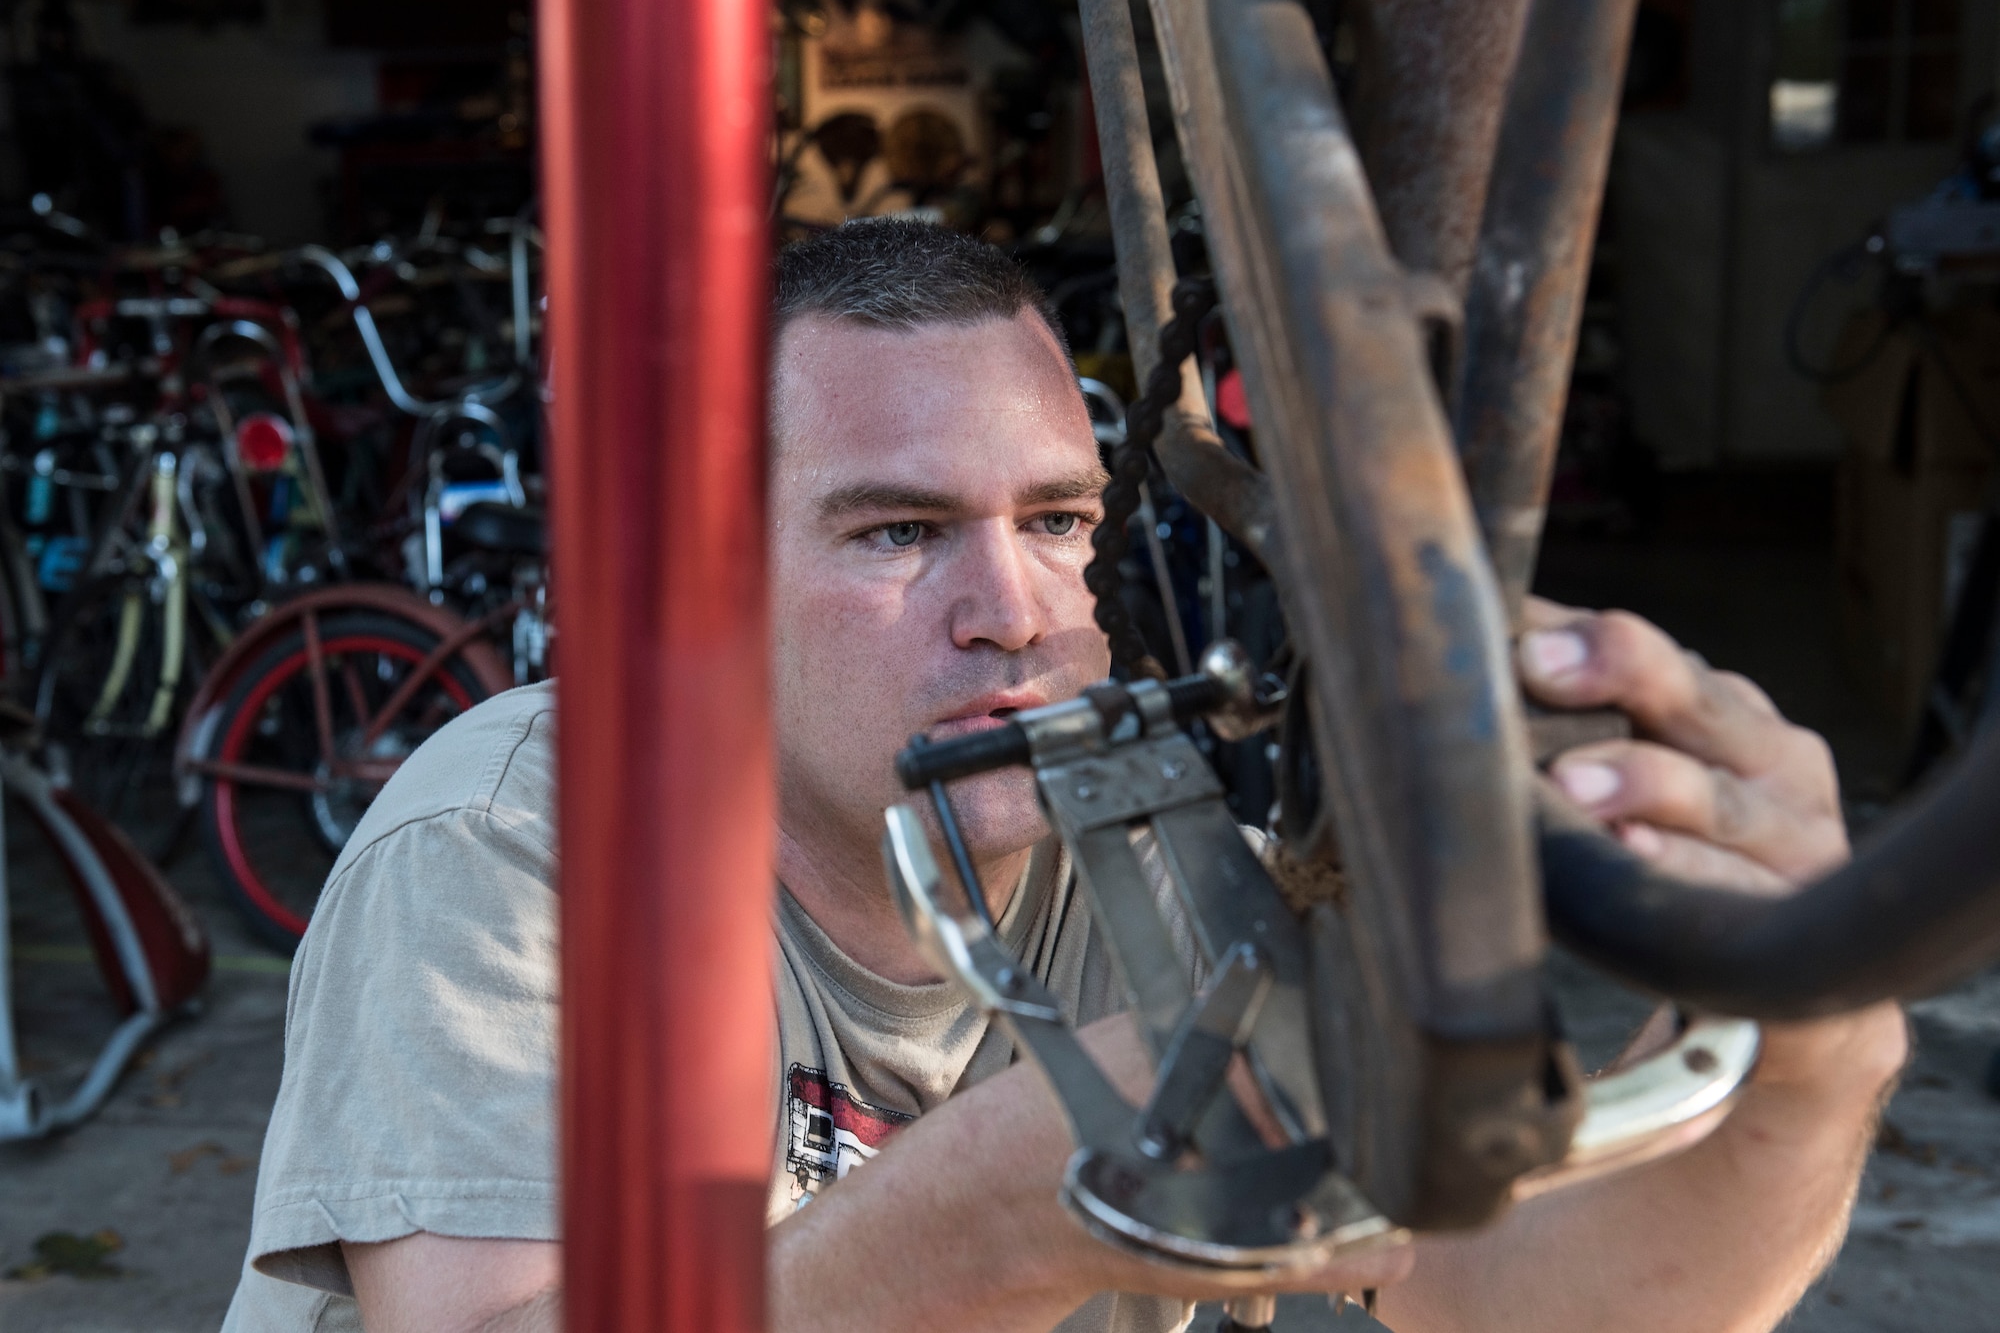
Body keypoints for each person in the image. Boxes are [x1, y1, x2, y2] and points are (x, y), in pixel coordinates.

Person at [221, 219, 1906, 1333]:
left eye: (1057, 523)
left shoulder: (1148, 857)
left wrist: (1808, 1060)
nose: (1013, 616)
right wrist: (974, 1221)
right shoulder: (517, 844)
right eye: (898, 533)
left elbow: (1526, 1306)